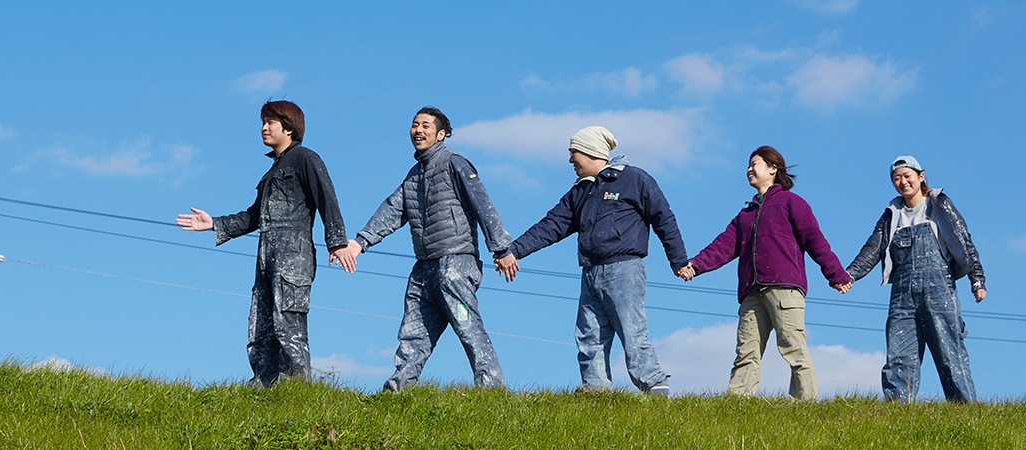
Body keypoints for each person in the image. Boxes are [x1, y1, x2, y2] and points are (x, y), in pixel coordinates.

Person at [493, 126, 688, 395]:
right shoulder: (580, 191)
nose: (571, 160)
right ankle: (596, 392)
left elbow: (664, 218)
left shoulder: (634, 179)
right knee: (589, 336)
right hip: (590, 273)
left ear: (590, 151)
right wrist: (514, 250)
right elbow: (552, 225)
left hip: (624, 269)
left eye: (574, 152)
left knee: (631, 333)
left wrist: (677, 260)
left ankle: (654, 385)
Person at [333, 106, 513, 392]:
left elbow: (483, 204)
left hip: (456, 260)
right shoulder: (414, 174)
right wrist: (360, 242)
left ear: (441, 134)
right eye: (415, 124)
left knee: (467, 326)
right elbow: (393, 210)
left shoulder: (456, 163)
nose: (418, 130)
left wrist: (501, 249)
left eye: (426, 125)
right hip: (424, 265)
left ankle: (491, 387)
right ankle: (399, 389)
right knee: (413, 332)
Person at [175, 100, 352, 387]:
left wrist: (337, 242)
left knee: (288, 326)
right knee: (261, 326)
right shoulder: (271, 173)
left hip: (293, 258)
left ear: (289, 127)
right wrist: (215, 223)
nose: (264, 128)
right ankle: (263, 386)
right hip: (265, 258)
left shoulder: (306, 158)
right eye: (263, 122)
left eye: (271, 122)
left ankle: (296, 390)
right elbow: (254, 216)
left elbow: (326, 200)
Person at [678, 146, 850, 401]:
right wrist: (695, 265)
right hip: (751, 291)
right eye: (748, 165)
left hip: (784, 288)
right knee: (746, 351)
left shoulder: (792, 202)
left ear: (773, 169)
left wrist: (836, 274)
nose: (749, 169)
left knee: (793, 346)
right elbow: (723, 246)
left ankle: (805, 403)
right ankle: (736, 403)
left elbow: (815, 240)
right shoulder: (745, 215)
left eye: (754, 163)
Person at [841, 156, 984, 403]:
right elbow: (872, 249)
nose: (902, 182)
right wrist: (849, 275)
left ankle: (965, 411)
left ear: (921, 176)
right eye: (896, 178)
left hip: (939, 288)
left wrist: (977, 279)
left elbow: (964, 239)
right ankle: (898, 411)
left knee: (950, 353)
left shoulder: (939, 204)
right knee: (899, 356)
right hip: (902, 293)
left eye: (907, 176)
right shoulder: (891, 215)